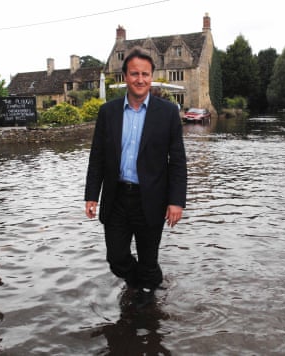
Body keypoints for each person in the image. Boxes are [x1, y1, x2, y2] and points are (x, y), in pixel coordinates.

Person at [84, 47, 187, 309]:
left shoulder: (167, 113)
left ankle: (148, 303)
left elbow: (177, 161)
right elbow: (97, 156)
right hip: (117, 197)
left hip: (151, 199)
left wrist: (176, 201)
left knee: (148, 259)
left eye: (145, 74)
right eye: (134, 74)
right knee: (116, 258)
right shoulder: (108, 112)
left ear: (151, 77)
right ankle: (139, 281)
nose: (140, 79)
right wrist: (91, 195)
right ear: (125, 77)